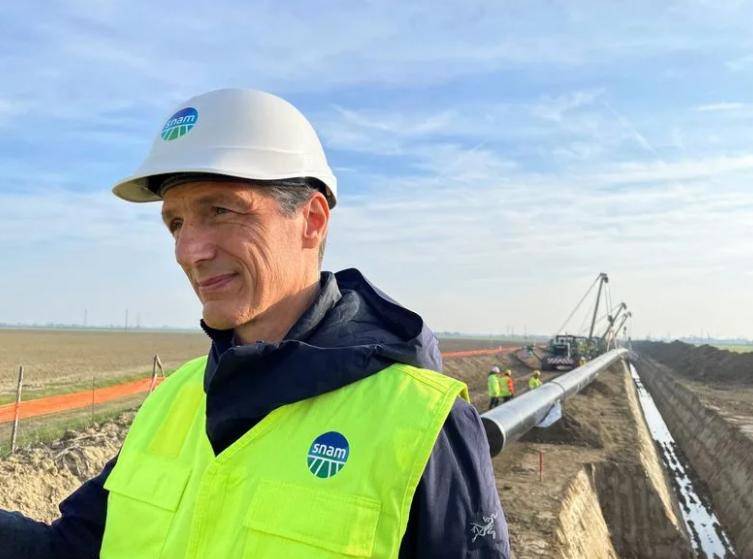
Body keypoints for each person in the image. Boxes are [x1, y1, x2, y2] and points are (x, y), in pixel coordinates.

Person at [0, 89, 510, 558]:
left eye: (221, 211)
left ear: (312, 220)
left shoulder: (421, 423)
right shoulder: (173, 400)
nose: (189, 251)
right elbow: (71, 549)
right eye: (176, 223)